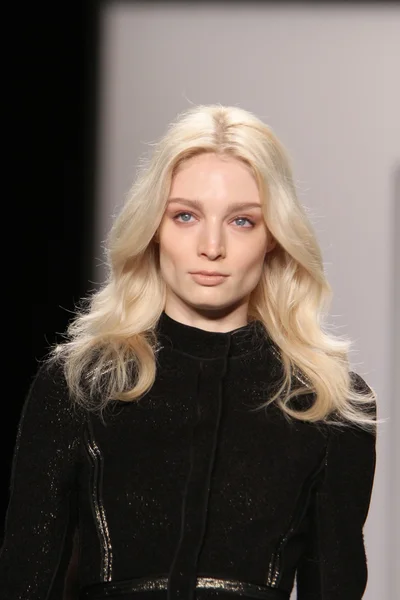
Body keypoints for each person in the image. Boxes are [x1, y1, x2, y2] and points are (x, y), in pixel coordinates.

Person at [0, 104, 377, 600]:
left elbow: (336, 583)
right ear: (154, 227)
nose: (212, 246)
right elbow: (27, 578)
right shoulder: (81, 384)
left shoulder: (327, 404)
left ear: (273, 238)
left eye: (242, 221)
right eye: (185, 216)